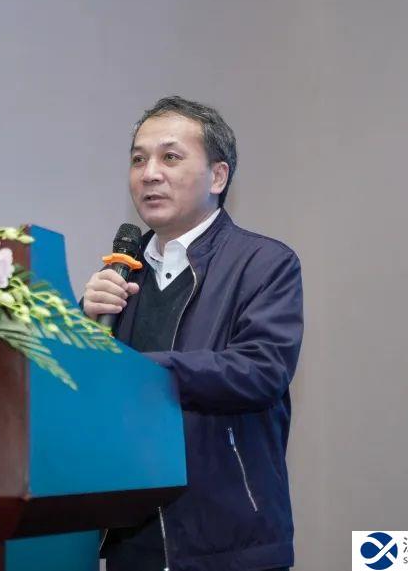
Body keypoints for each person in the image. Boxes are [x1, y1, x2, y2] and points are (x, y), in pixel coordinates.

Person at [84, 96, 303, 571]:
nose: (149, 174)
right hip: (129, 537)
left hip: (229, 540)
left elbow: (261, 370)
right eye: (138, 160)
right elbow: (87, 396)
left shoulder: (265, 263)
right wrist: (81, 324)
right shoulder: (120, 276)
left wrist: (140, 371)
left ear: (218, 177)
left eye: (170, 157)